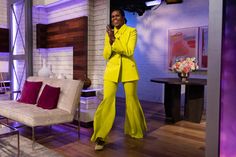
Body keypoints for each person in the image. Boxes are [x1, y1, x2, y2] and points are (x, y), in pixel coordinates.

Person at [91, 8, 147, 151]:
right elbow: (105, 54)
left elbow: (129, 51)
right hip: (111, 71)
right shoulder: (109, 33)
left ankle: (135, 130)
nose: (114, 18)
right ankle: (100, 136)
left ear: (123, 17)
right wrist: (110, 40)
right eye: (112, 17)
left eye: (117, 16)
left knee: (131, 100)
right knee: (107, 100)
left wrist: (114, 40)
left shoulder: (131, 31)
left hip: (129, 70)